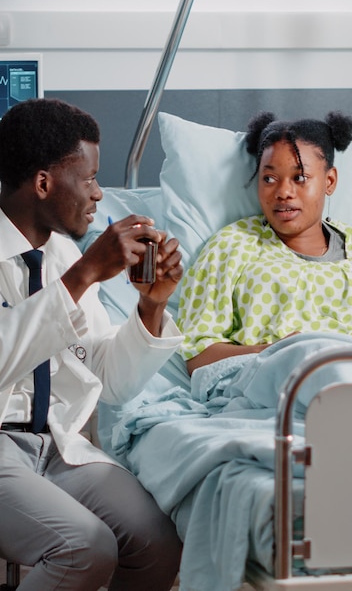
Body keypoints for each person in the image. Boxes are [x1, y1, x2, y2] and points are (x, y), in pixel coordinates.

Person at [0, 98, 184, 591]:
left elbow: (107, 380)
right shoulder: (73, 268)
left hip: (53, 443)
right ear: (43, 184)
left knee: (158, 542)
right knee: (84, 547)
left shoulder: (59, 254)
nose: (100, 194)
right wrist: (82, 276)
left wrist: (151, 307)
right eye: (89, 179)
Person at [177, 110, 352, 374]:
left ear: (329, 181)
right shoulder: (231, 247)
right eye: (269, 179)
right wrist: (271, 353)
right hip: (266, 382)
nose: (283, 192)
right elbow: (196, 354)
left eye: (300, 177)